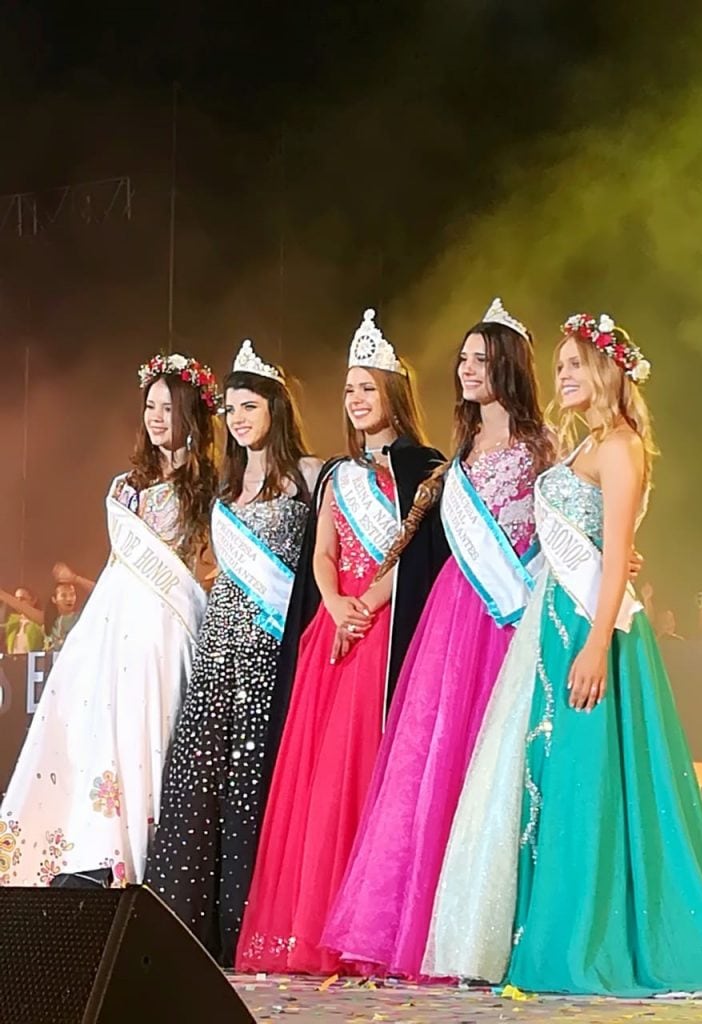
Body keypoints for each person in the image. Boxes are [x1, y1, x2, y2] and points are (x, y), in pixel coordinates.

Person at [425, 313, 702, 997]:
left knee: (590, 785)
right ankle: (548, 930)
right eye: (559, 370)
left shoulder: (622, 449)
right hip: (553, 623)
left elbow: (614, 562)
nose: (564, 378)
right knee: (552, 782)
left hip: (592, 628)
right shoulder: (588, 445)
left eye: (576, 365)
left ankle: (587, 937)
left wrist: (596, 644)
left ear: (609, 369)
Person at [322, 298, 553, 977]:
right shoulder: (454, 458)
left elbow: (563, 526)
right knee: (436, 760)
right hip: (455, 615)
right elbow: (410, 544)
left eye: (481, 361)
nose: (466, 370)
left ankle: (495, 922)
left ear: (507, 368)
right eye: (462, 359)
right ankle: (432, 927)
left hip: (509, 609)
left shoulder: (541, 448)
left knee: (495, 760)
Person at [235, 308, 449, 975]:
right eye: (348, 388)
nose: (355, 399)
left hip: (385, 630)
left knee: (369, 766)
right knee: (319, 780)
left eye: (367, 386)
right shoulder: (335, 476)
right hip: (336, 631)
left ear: (393, 392)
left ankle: (371, 924)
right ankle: (310, 923)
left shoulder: (427, 470)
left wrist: (368, 605)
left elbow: (424, 561)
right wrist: (334, 602)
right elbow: (321, 552)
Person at [0, 353, 218, 887]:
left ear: (192, 412)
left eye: (169, 407)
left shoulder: (210, 483)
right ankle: (89, 853)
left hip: (165, 631)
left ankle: (148, 866)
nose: (157, 417)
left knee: (151, 734)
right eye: (150, 406)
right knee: (91, 734)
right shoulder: (125, 485)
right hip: (109, 629)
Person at [146, 341, 322, 966]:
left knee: (251, 787)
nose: (239, 419)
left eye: (250, 406)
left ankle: (243, 928)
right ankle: (181, 928)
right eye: (231, 410)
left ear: (275, 407)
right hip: (220, 640)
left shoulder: (309, 475)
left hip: (269, 650)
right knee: (195, 782)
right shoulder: (225, 484)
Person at [0, 587, 45, 655]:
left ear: (33, 600)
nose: (18, 602)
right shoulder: (11, 620)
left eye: (22, 599)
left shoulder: (40, 620)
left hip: (33, 661)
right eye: (16, 599)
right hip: (13, 661)